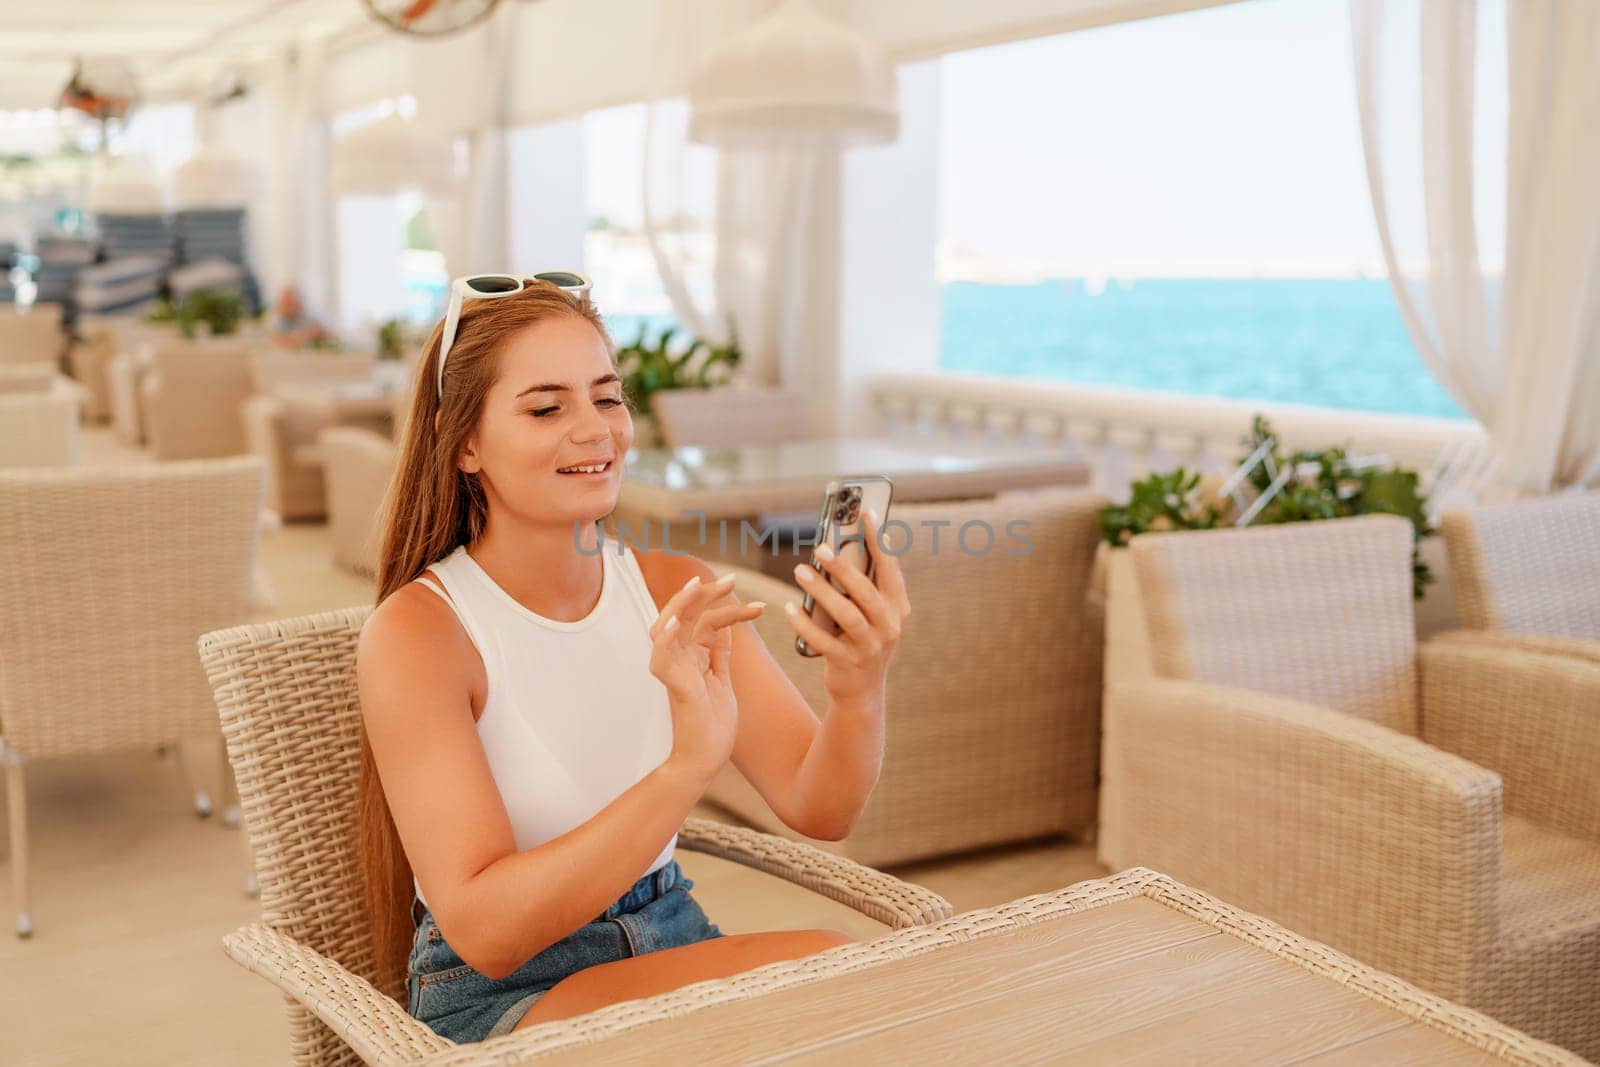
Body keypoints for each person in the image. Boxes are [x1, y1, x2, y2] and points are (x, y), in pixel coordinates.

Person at [357, 277, 911, 1043]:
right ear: (464, 442)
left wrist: (858, 691)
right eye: (547, 407)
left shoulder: (676, 589)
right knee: (829, 979)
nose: (596, 430)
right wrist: (685, 769)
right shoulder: (421, 632)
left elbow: (821, 805)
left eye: (608, 398)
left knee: (852, 987)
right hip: (503, 996)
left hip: (667, 931)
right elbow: (485, 930)